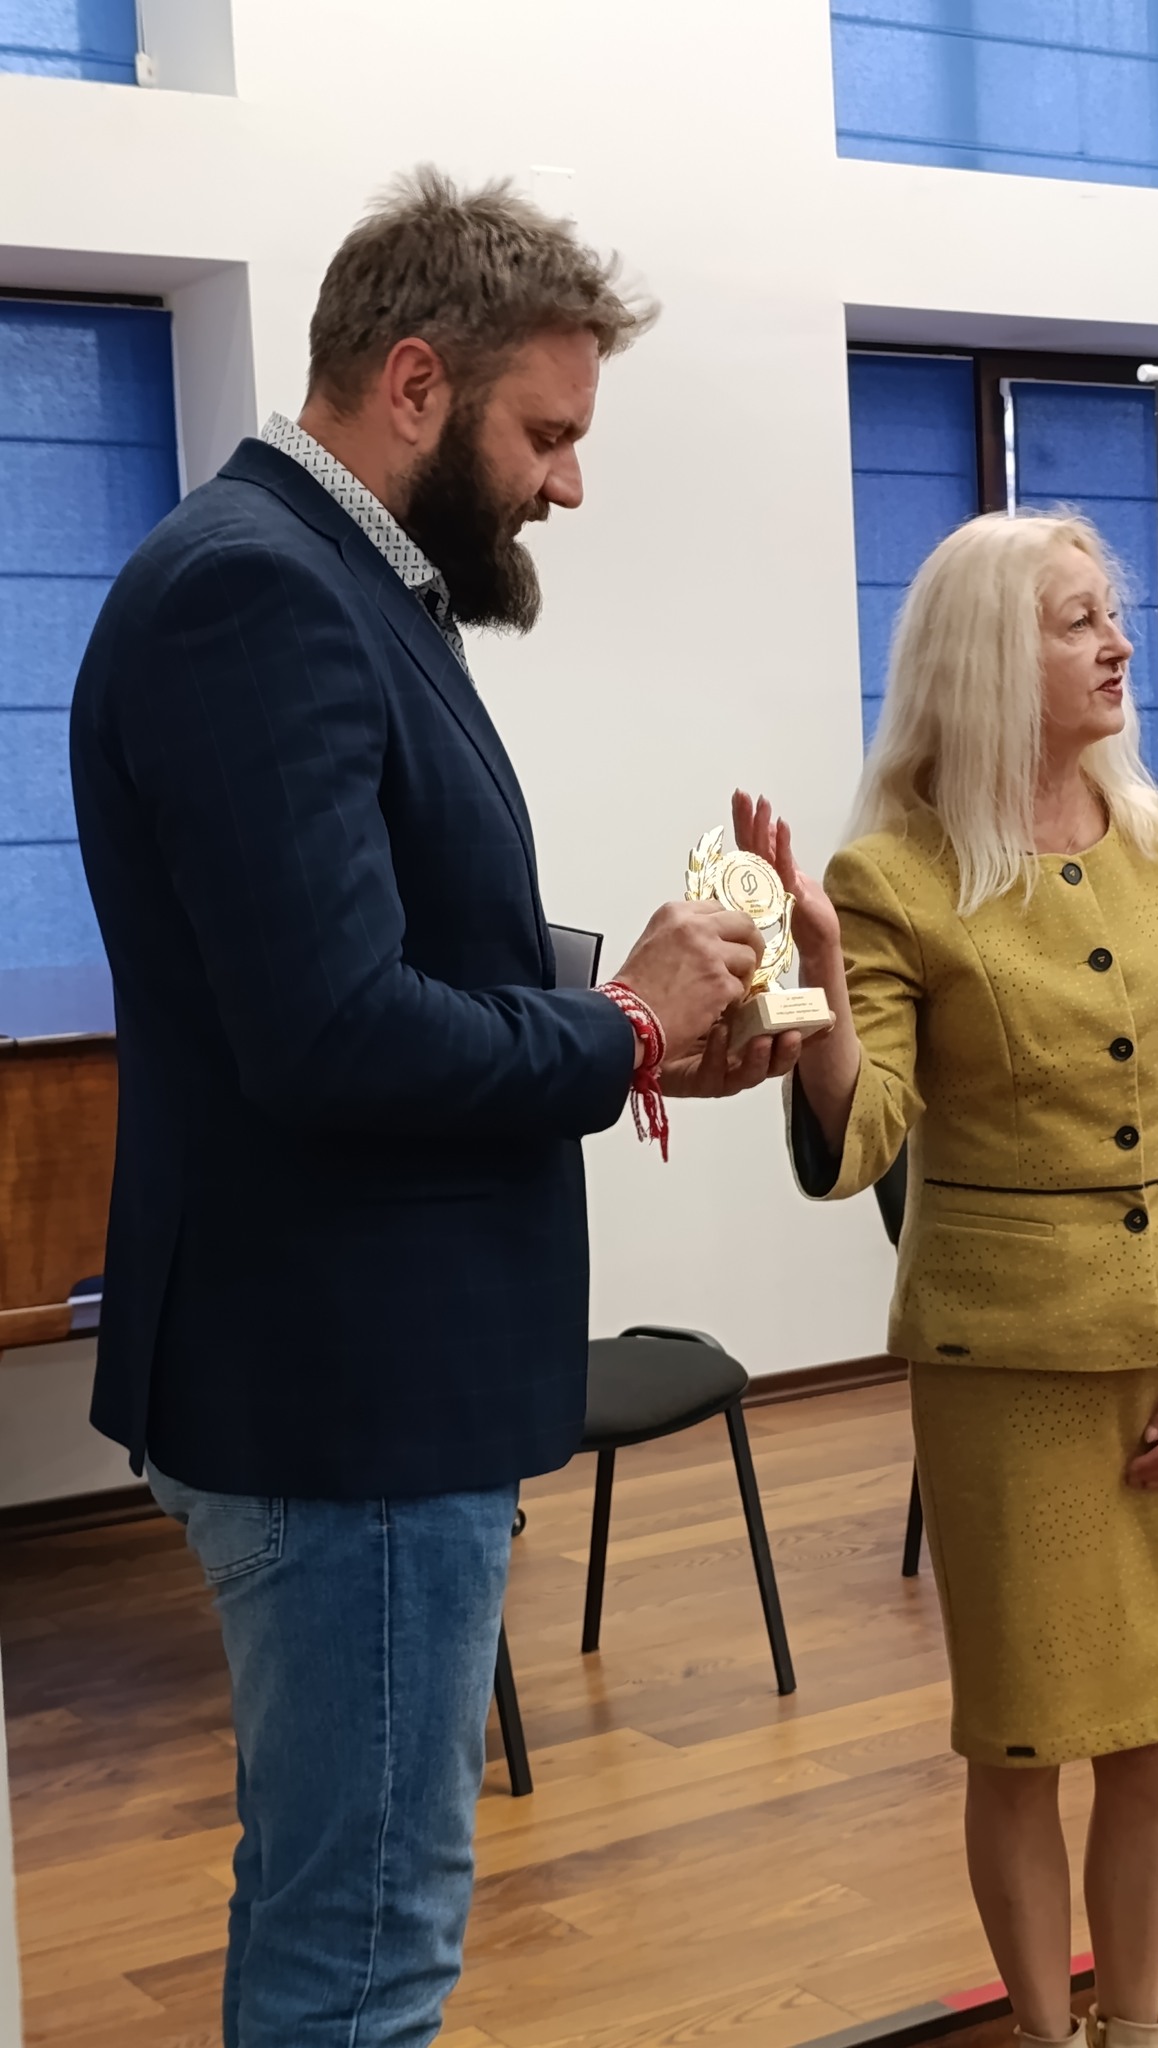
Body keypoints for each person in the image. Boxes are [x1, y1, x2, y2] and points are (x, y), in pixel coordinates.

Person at [69, 168, 799, 2048]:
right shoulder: (254, 592)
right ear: (414, 383)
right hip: (345, 1393)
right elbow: (333, 1033)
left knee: (339, 1911)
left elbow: (395, 947)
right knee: (366, 1954)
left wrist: (647, 1022)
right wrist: (621, 1026)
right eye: (545, 435)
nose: (570, 483)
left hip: (352, 1376)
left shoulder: (338, 584)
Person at [735, 511, 1158, 2048]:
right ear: (986, 655)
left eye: (1112, 614)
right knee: (1027, 1736)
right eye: (1076, 620)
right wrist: (816, 980)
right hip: (1009, 1373)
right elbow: (860, 1140)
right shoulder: (895, 875)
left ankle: (1137, 2029)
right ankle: (1047, 2036)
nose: (1118, 644)